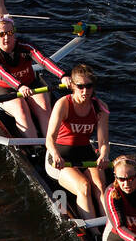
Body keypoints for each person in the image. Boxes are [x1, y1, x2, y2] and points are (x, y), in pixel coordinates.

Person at [43, 63, 110, 216]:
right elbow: (49, 139)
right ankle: (94, 233)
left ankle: (111, 230)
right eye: (80, 86)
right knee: (84, 186)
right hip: (60, 157)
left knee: (100, 187)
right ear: (72, 86)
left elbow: (103, 142)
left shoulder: (101, 108)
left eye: (89, 86)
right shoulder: (63, 104)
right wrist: (55, 155)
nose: (85, 91)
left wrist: (104, 155)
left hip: (85, 153)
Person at [0, 17, 68, 139]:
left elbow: (43, 61)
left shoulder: (26, 46)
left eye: (10, 33)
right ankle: (35, 147)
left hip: (31, 84)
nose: (7, 37)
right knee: (21, 109)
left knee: (45, 107)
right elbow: (4, 74)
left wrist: (63, 75)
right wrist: (19, 86)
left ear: (14, 32)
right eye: (2, 34)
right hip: (6, 89)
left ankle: (54, 147)